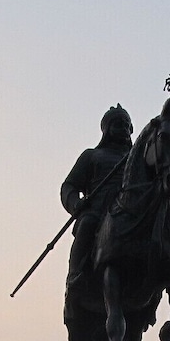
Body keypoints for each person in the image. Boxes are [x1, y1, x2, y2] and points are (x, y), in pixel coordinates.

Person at [60, 104, 133, 296]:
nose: (124, 129)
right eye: (118, 125)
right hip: (99, 210)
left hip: (131, 209)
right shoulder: (92, 156)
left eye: (127, 125)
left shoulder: (137, 159)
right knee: (87, 224)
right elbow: (69, 186)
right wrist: (76, 203)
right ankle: (75, 275)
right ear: (107, 129)